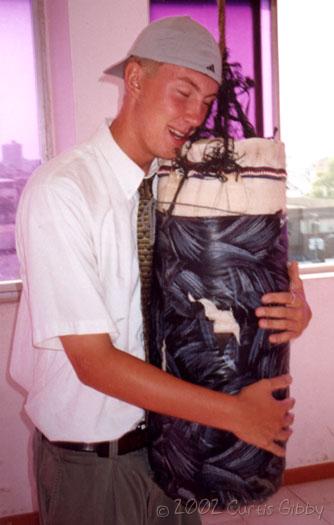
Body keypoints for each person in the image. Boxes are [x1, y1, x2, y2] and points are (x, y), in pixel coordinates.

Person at [11, 16, 311, 525]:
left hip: (171, 446)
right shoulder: (63, 192)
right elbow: (95, 362)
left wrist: (287, 310)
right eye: (184, 91)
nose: (196, 114)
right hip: (94, 463)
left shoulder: (177, 190)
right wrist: (236, 414)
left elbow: (205, 300)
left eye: (207, 100)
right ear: (134, 79)